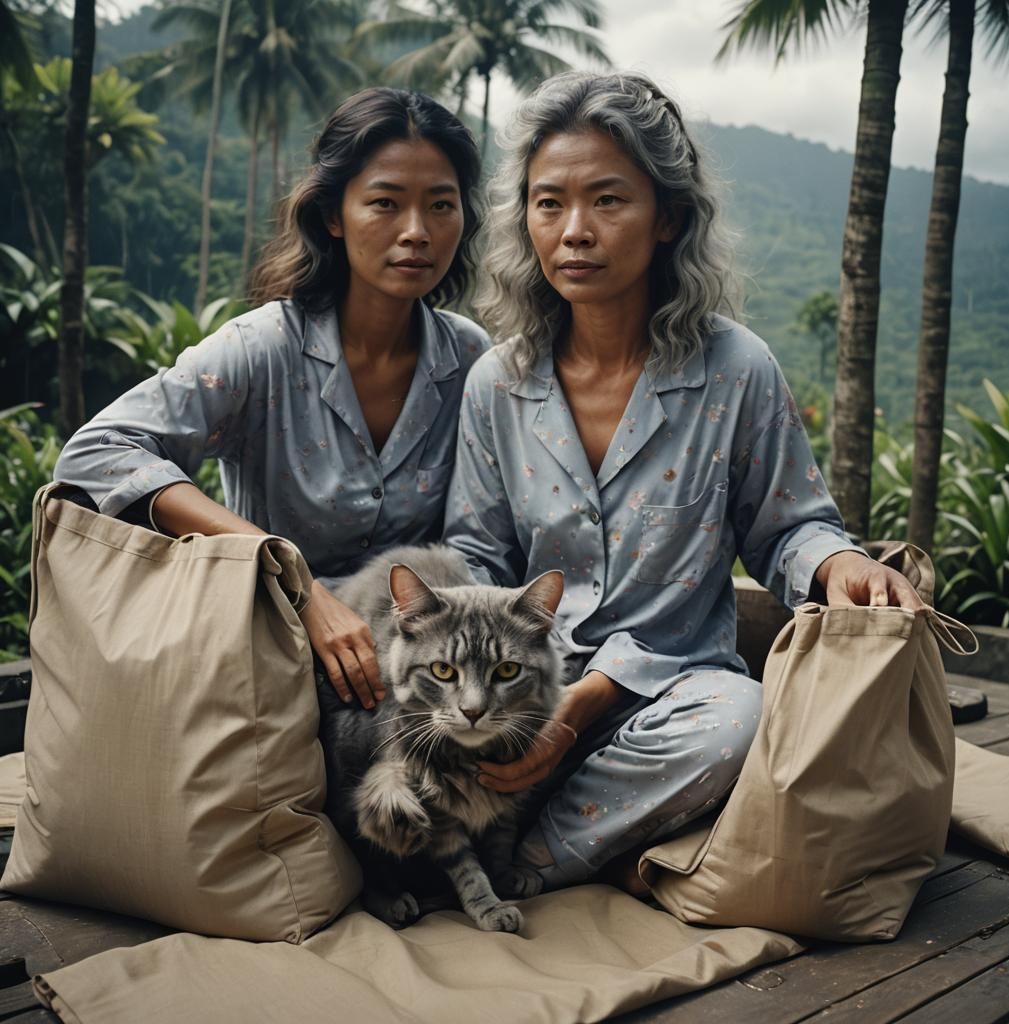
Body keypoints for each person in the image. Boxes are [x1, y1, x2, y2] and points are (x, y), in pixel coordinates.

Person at [442, 71, 924, 893]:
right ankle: (572, 829)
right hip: (528, 688)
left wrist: (840, 564)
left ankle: (529, 858)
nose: (575, 232)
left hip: (670, 695)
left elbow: (788, 526)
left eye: (608, 200)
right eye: (548, 202)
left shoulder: (736, 370)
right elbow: (475, 557)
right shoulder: (499, 381)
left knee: (737, 723)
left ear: (667, 216)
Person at [54, 87, 488, 712]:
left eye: (440, 206)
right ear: (334, 215)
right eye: (385, 203)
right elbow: (97, 450)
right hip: (273, 660)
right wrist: (291, 574)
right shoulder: (264, 349)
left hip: (428, 682)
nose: (416, 232)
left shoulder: (469, 358)